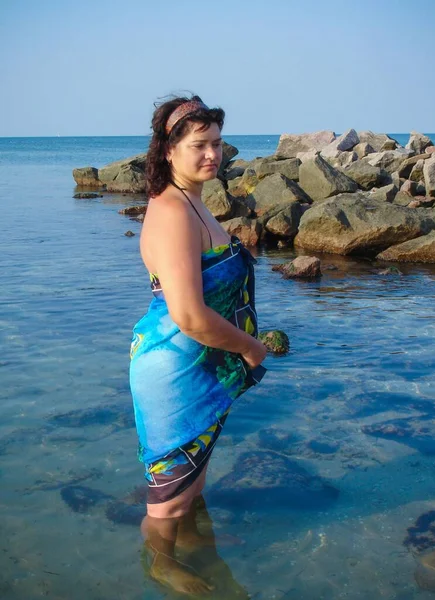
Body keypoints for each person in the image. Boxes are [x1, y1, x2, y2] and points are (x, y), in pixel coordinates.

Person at [129, 94, 267, 594]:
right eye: (199, 145)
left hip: (202, 367)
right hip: (176, 371)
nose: (213, 154)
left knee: (193, 483)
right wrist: (251, 349)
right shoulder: (171, 212)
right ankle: (161, 563)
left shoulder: (194, 201)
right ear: (168, 150)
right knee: (166, 504)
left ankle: (195, 545)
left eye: (217, 143)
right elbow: (188, 316)